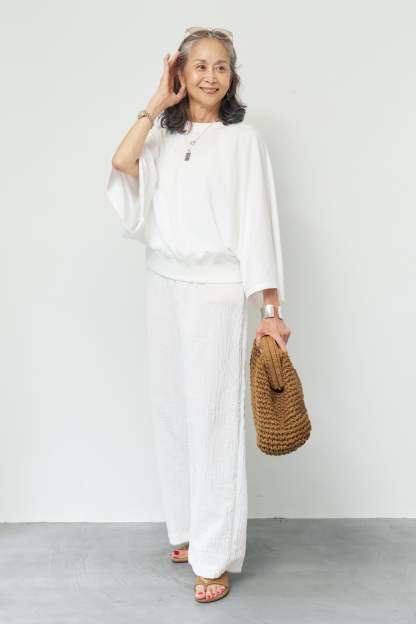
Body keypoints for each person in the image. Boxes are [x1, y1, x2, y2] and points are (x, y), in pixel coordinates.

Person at [105, 26, 291, 604]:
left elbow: (259, 224)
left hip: (217, 292)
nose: (211, 77)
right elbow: (121, 162)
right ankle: (187, 529)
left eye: (221, 67)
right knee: (172, 412)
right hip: (163, 284)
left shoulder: (243, 141)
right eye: (199, 66)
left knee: (214, 420)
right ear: (180, 74)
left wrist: (270, 309)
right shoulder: (161, 138)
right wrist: (154, 102)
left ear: (232, 78)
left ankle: (215, 555)